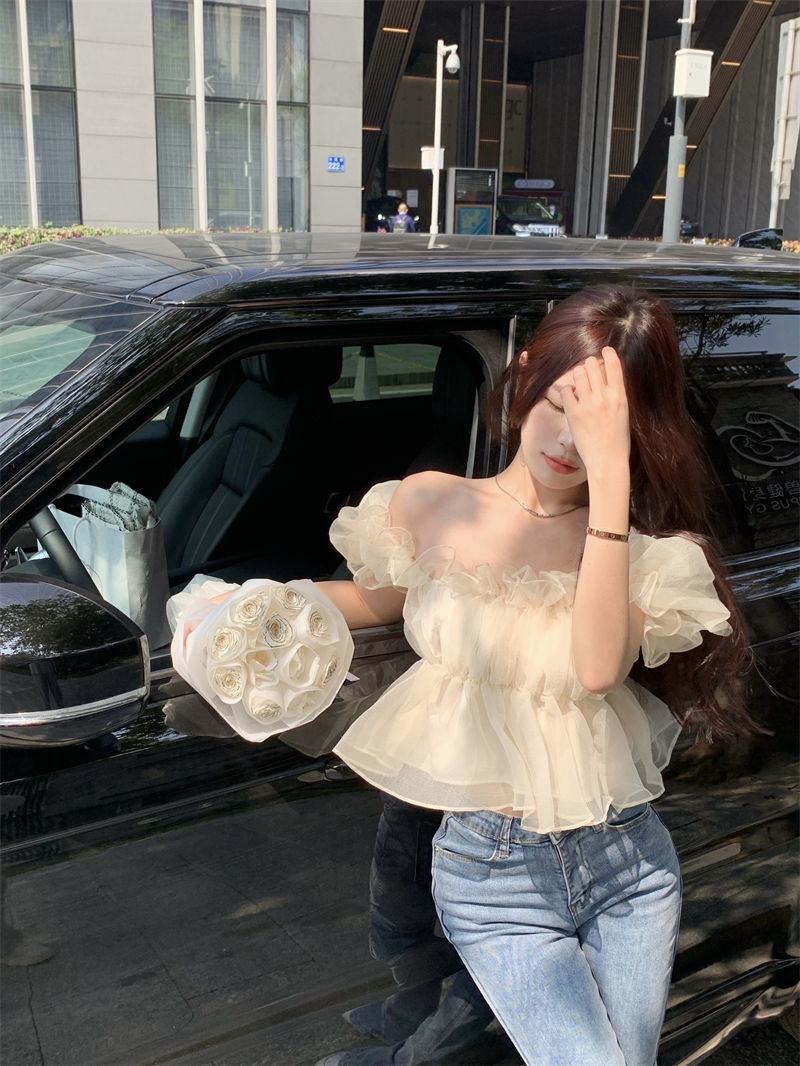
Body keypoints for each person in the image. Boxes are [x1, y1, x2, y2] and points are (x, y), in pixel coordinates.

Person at [169, 285, 754, 1065]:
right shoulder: (432, 502)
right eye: (559, 405)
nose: (570, 442)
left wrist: (613, 484)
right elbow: (374, 598)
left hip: (628, 863)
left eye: (598, 428)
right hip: (495, 872)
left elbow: (594, 667)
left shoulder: (637, 551)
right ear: (524, 376)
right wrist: (240, 603)